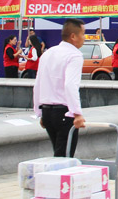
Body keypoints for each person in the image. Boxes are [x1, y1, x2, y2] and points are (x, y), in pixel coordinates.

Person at [33, 19, 86, 157]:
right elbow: (70, 85)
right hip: (64, 113)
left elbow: (38, 83)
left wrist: (40, 112)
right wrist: (77, 113)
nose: (84, 38)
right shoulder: (74, 55)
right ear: (73, 36)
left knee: (58, 153)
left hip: (47, 111)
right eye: (83, 34)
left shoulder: (48, 53)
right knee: (65, 157)